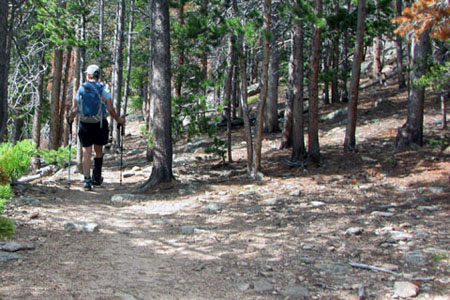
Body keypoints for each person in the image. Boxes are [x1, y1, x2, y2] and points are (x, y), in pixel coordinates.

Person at [68, 64, 125, 191]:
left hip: (84, 124)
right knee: (98, 151)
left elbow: (75, 108)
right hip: (99, 124)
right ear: (98, 75)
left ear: (88, 75)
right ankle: (97, 178)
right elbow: (110, 109)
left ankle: (87, 180)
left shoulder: (82, 89)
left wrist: (71, 119)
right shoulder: (104, 89)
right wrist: (119, 120)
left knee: (86, 152)